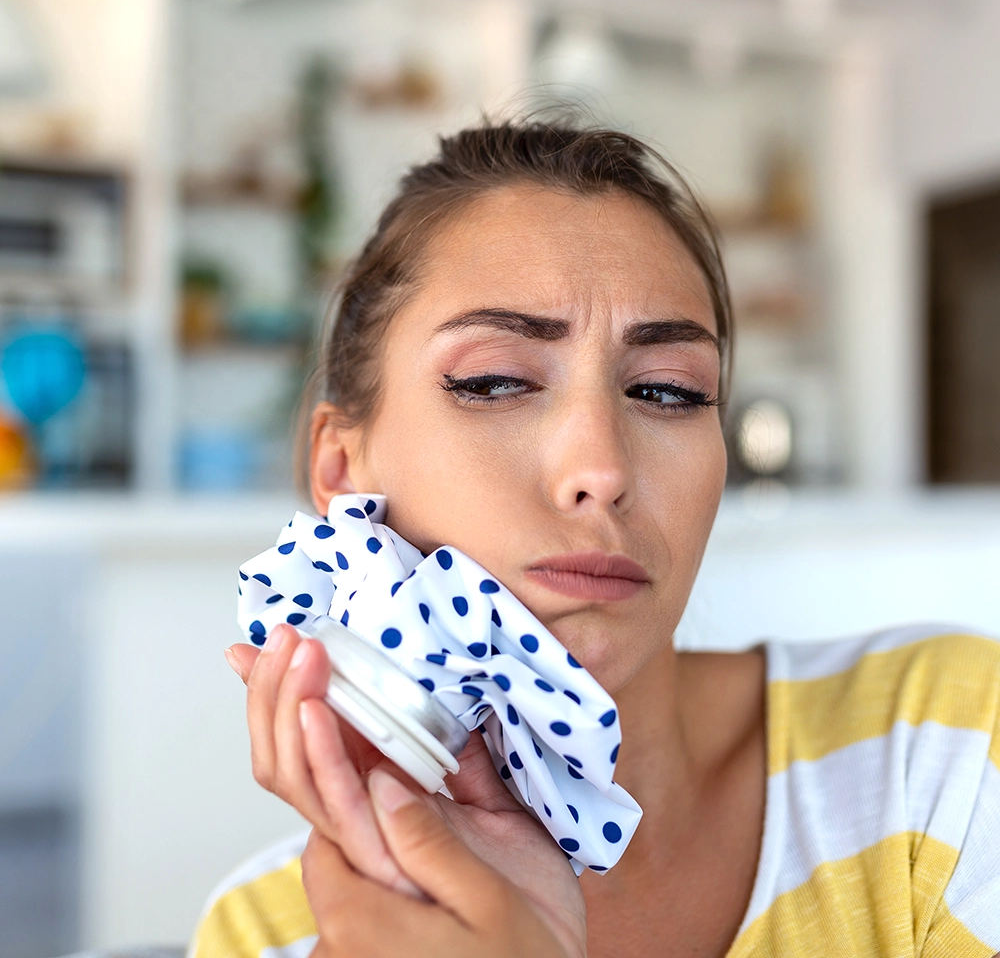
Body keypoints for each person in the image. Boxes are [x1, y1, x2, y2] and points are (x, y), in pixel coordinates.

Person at [192, 120, 1000, 958]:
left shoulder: (948, 750)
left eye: (667, 392)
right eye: (495, 381)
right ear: (342, 470)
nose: (601, 468)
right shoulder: (263, 936)